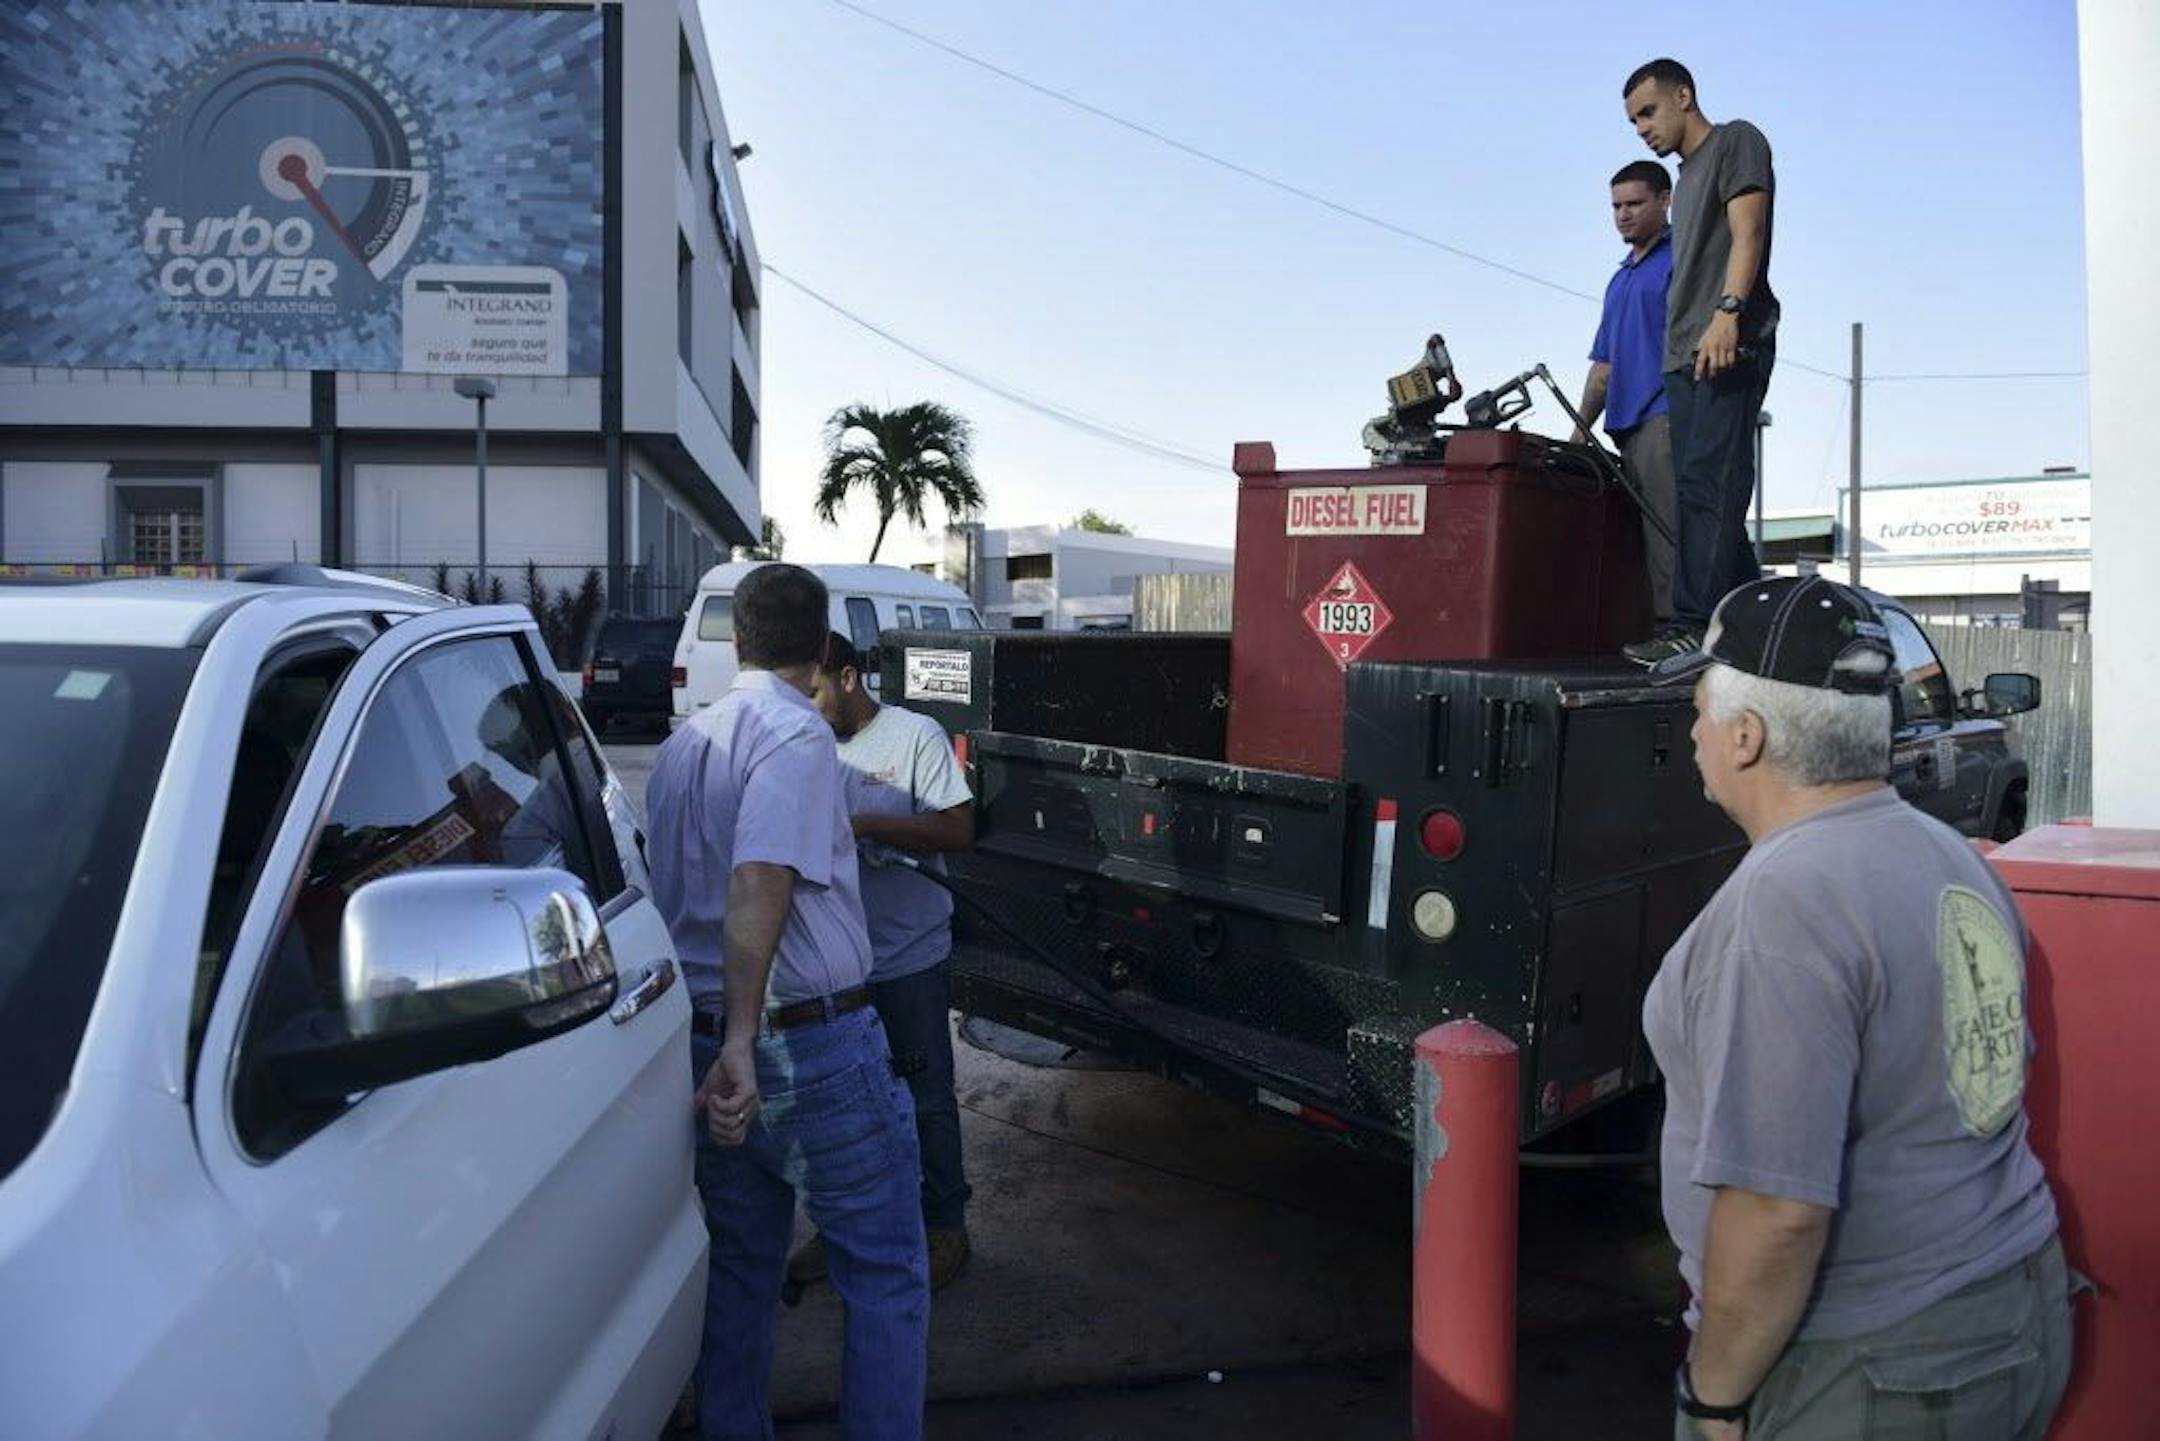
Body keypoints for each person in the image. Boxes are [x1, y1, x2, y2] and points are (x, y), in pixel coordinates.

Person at [1642, 575, 2073, 1440]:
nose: (1690, 733)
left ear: (1746, 736)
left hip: (1879, 1375)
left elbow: (1778, 1210)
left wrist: (1714, 1394)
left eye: (1696, 708)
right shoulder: (1951, 852)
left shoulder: (1782, 907)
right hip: (2016, 1312)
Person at [645, 563, 929, 1441]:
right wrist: (743, 1043)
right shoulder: (797, 735)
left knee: (740, 1266)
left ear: (735, 641)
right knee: (885, 1273)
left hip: (709, 1048)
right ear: (820, 647)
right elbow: (761, 873)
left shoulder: (686, 743)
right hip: (802, 1053)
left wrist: (722, 1044)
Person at [792, 632, 977, 1293]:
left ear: (847, 678)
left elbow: (957, 827)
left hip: (909, 957)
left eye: (813, 691)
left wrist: (869, 826)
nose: (805, 707)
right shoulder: (806, 747)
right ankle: (842, 1228)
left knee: (925, 1097)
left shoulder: (913, 736)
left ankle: (945, 1224)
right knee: (845, 1105)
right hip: (837, 965)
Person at [1620, 58, 1778, 665]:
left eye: (1649, 112)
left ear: (1683, 96)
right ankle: (1757, 619)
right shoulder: (1683, 180)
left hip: (1725, 341)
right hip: (1683, 354)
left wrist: (1729, 311)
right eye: (1634, 122)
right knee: (1699, 494)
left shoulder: (1736, 140)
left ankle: (1694, 625)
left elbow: (1750, 233)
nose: (1642, 129)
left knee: (1714, 484)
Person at [1576, 158, 1680, 626]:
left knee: (1669, 534)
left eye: (1635, 203)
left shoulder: (1683, 261)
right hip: (1622, 429)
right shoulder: (1618, 281)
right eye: (1616, 205)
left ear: (1665, 199)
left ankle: (1678, 633)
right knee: (1634, 540)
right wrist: (1579, 434)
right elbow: (1604, 367)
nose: (1623, 214)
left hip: (1665, 418)